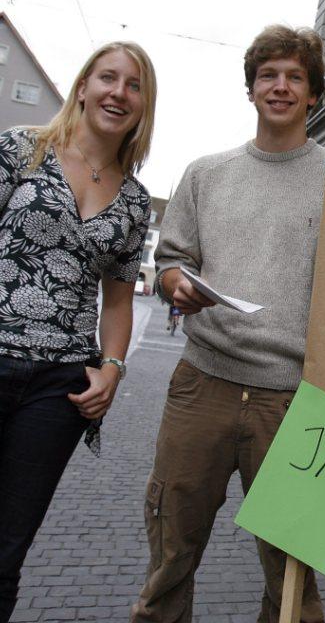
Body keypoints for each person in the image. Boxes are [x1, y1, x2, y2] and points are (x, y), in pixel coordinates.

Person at [131, 25, 325, 623]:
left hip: (298, 400)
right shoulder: (205, 173)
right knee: (172, 549)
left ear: (313, 94)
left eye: (294, 77)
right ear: (250, 89)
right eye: (268, 75)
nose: (280, 86)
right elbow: (173, 258)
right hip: (203, 385)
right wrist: (175, 282)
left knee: (294, 571)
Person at [0, 42, 155, 622]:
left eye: (133, 85)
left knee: (8, 550)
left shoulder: (135, 201)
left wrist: (112, 368)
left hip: (59, 388)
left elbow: (117, 301)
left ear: (143, 105)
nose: (119, 92)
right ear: (83, 86)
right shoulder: (23, 149)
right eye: (108, 78)